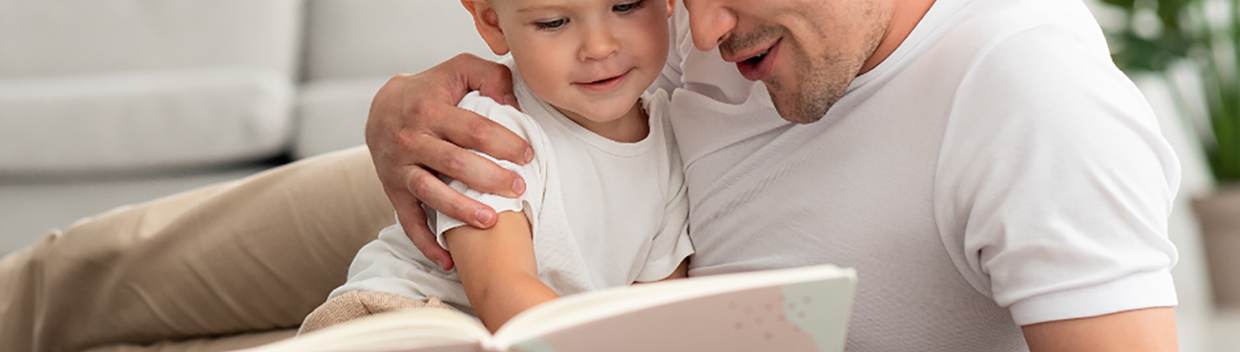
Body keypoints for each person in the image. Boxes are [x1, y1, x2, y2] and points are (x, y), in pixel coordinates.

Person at [364, 0, 1183, 351]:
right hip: (492, 196)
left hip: (580, 253)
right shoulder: (715, 23)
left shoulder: (1034, 102)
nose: (704, 29)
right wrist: (394, 111)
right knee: (237, 253)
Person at [299, 0, 691, 334]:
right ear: (491, 21)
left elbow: (658, 305)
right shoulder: (494, 127)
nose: (599, 46)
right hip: (402, 316)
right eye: (553, 22)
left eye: (626, 5)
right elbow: (501, 292)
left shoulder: (671, 140)